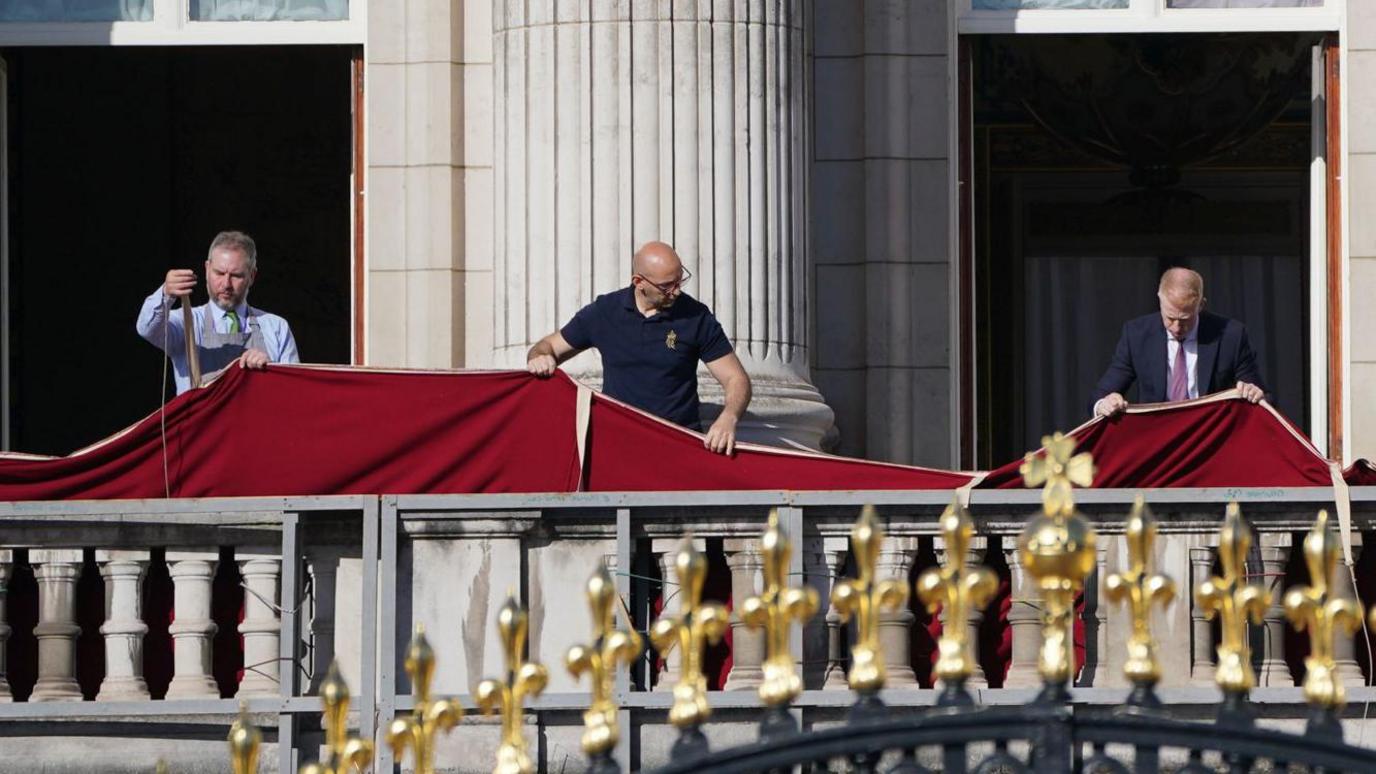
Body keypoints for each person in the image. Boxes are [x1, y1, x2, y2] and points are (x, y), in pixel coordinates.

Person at [526, 241, 752, 455]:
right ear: (638, 282)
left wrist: (728, 418)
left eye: (679, 281)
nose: (676, 292)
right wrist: (540, 357)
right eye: (666, 286)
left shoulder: (696, 316)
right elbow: (547, 347)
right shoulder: (604, 312)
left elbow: (736, 379)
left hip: (679, 447)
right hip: (618, 447)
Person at [136, 230, 299, 394]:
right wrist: (165, 294)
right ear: (207, 269)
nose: (226, 284)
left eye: (236, 275)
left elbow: (296, 393)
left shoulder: (276, 327)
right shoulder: (187, 322)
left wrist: (272, 372)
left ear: (252, 276)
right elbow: (147, 328)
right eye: (219, 273)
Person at [1090, 267, 1266, 418]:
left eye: (1185, 319)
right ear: (1159, 301)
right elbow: (1100, 396)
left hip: (1211, 437)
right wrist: (1105, 403)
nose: (1176, 327)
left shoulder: (1231, 336)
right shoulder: (1137, 335)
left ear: (1201, 305)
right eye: (1170, 318)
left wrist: (1253, 393)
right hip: (1158, 436)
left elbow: (1263, 398)